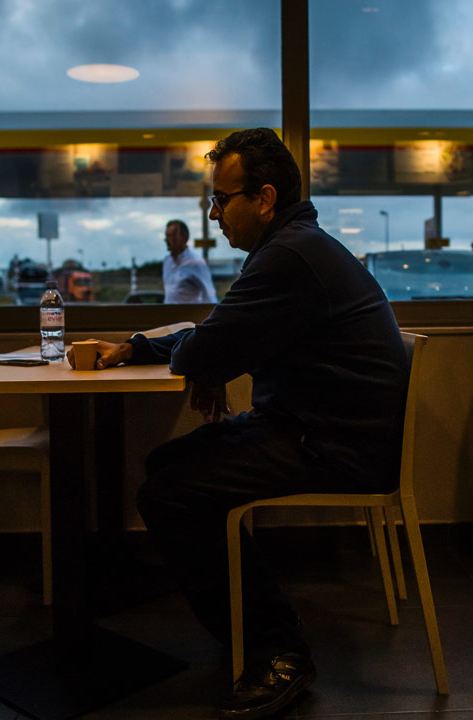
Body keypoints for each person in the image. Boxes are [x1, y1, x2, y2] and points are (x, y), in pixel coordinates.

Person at [73, 128, 407, 719]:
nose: (213, 213)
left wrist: (205, 360)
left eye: (221, 199)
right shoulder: (294, 247)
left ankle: (278, 649)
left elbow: (209, 347)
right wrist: (143, 346)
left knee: (169, 494)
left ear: (264, 198)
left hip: (335, 444)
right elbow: (218, 334)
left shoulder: (288, 256)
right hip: (316, 426)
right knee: (167, 466)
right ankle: (252, 616)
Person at [162, 219, 218, 304]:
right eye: (167, 236)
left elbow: (209, 296)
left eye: (172, 236)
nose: (167, 240)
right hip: (168, 316)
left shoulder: (196, 263)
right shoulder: (167, 262)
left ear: (185, 237)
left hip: (189, 316)